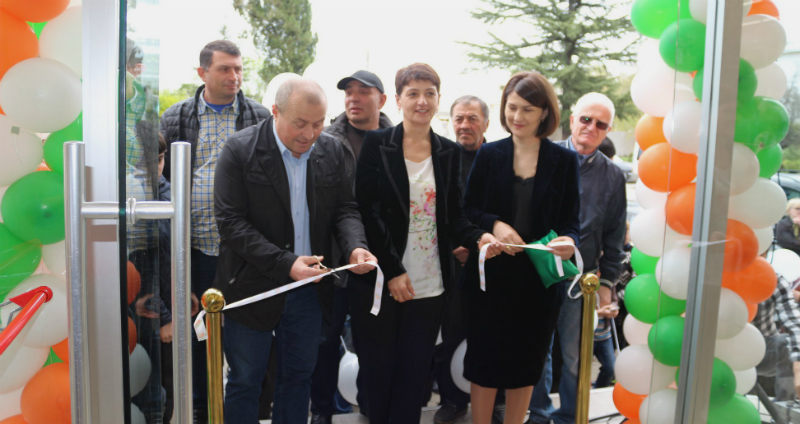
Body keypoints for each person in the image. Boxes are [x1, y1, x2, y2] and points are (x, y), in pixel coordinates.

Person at [213, 77, 377, 423]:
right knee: (246, 380)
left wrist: (355, 247)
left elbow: (345, 209)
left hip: (309, 290)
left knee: (298, 377)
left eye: (318, 124)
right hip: (251, 284)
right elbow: (231, 223)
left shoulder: (331, 150)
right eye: (300, 123)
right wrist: (286, 263)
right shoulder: (240, 149)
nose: (309, 134)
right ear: (275, 112)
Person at [351, 63, 502, 424]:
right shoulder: (376, 144)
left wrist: (480, 237)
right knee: (378, 372)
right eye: (413, 93)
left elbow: (454, 217)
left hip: (430, 283)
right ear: (398, 99)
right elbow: (368, 211)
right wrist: (393, 270)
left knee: (414, 375)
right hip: (382, 279)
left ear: (438, 98)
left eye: (429, 93)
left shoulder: (447, 152)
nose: (422, 101)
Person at [158, 40, 269, 422]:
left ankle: (241, 414)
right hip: (195, 252)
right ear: (202, 72)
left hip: (245, 256)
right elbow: (159, 179)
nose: (234, 76)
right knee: (196, 341)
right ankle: (201, 412)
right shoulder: (176, 117)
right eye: (224, 69)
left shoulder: (258, 116)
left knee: (245, 346)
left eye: (238, 69)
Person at [461, 71, 580, 424]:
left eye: (527, 109)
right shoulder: (489, 154)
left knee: (526, 366)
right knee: (483, 364)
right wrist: (495, 224)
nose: (517, 116)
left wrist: (568, 241)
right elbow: (468, 210)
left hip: (537, 283)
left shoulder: (564, 161)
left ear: (545, 112)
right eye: (512, 107)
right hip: (489, 280)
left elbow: (571, 221)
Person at [528, 92, 626, 424]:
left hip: (580, 281)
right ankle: (538, 415)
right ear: (572, 120)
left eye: (601, 124)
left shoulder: (613, 176)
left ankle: (569, 417)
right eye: (586, 119)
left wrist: (606, 285)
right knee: (537, 351)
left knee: (573, 356)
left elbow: (614, 238)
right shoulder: (541, 156)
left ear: (608, 130)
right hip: (537, 272)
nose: (591, 128)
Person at [310, 70, 393, 424]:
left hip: (381, 261)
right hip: (335, 260)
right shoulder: (325, 140)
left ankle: (370, 408)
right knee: (326, 341)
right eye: (348, 92)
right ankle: (322, 410)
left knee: (373, 342)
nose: (353, 98)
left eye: (363, 92)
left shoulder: (397, 141)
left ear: (382, 100)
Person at [433, 95, 491, 424]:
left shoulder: (498, 159)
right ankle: (452, 400)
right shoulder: (442, 157)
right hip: (451, 263)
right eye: (458, 118)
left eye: (472, 118)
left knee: (490, 335)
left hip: (491, 261)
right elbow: (434, 210)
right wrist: (457, 245)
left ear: (486, 123)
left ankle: (492, 401)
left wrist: (479, 247)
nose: (464, 125)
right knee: (450, 335)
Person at [753, 254, 800, 401]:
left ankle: (786, 408)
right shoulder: (713, 276)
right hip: (720, 351)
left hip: (764, 351)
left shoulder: (775, 280)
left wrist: (798, 367)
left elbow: (794, 323)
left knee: (787, 342)